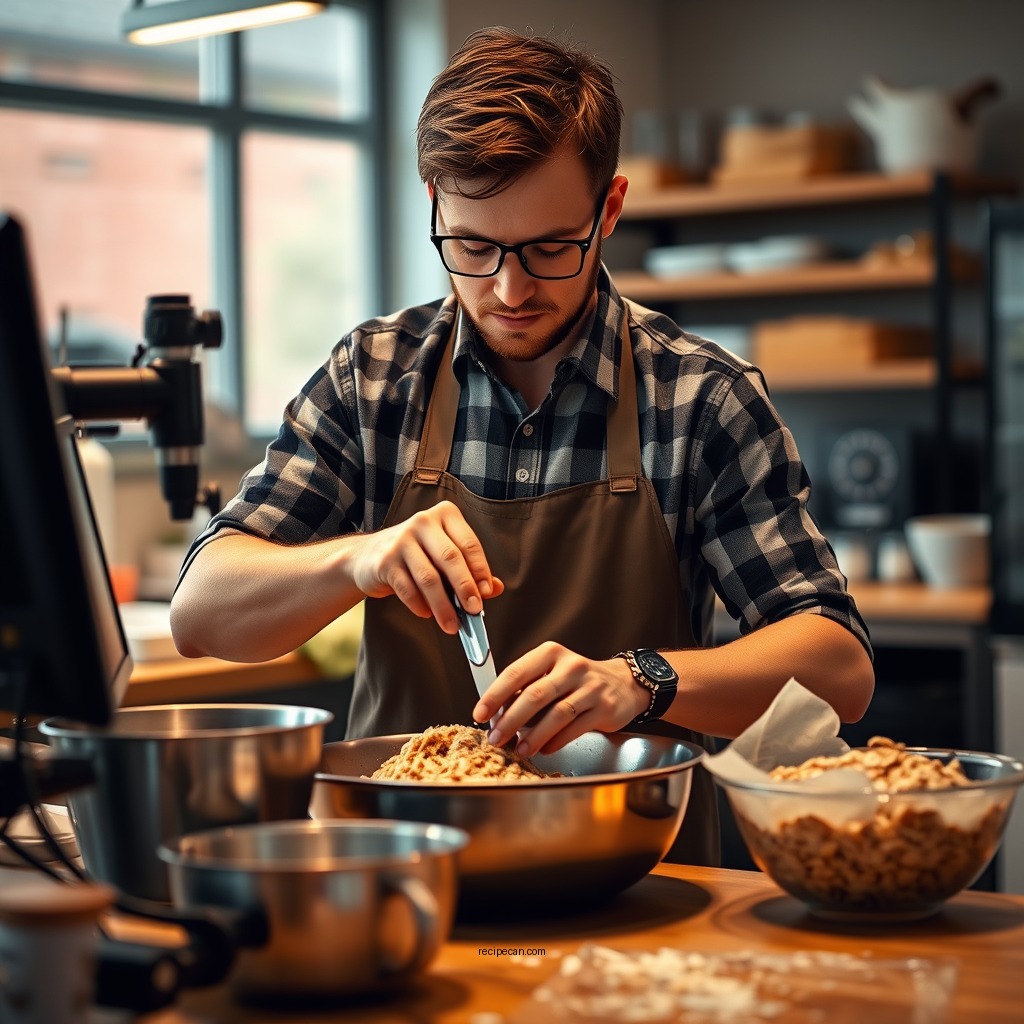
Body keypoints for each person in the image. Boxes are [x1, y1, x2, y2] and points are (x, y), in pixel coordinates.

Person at [171, 26, 874, 865]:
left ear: (607, 210)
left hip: (633, 878)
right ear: (434, 200)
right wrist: (357, 560)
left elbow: (839, 666)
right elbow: (200, 613)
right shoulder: (373, 381)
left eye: (549, 248)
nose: (508, 290)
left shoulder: (698, 398)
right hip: (398, 882)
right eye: (472, 247)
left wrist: (641, 681)